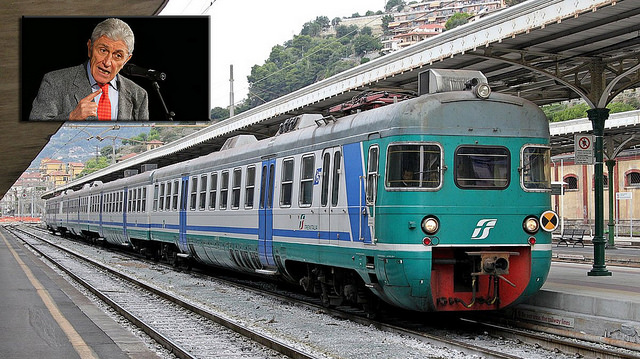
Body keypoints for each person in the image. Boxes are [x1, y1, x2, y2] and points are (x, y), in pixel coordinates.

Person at [29, 18, 149, 121]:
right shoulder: (55, 82)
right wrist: (71, 117)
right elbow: (35, 128)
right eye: (103, 50)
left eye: (117, 55)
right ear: (90, 48)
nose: (107, 62)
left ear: (126, 60)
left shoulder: (138, 95)